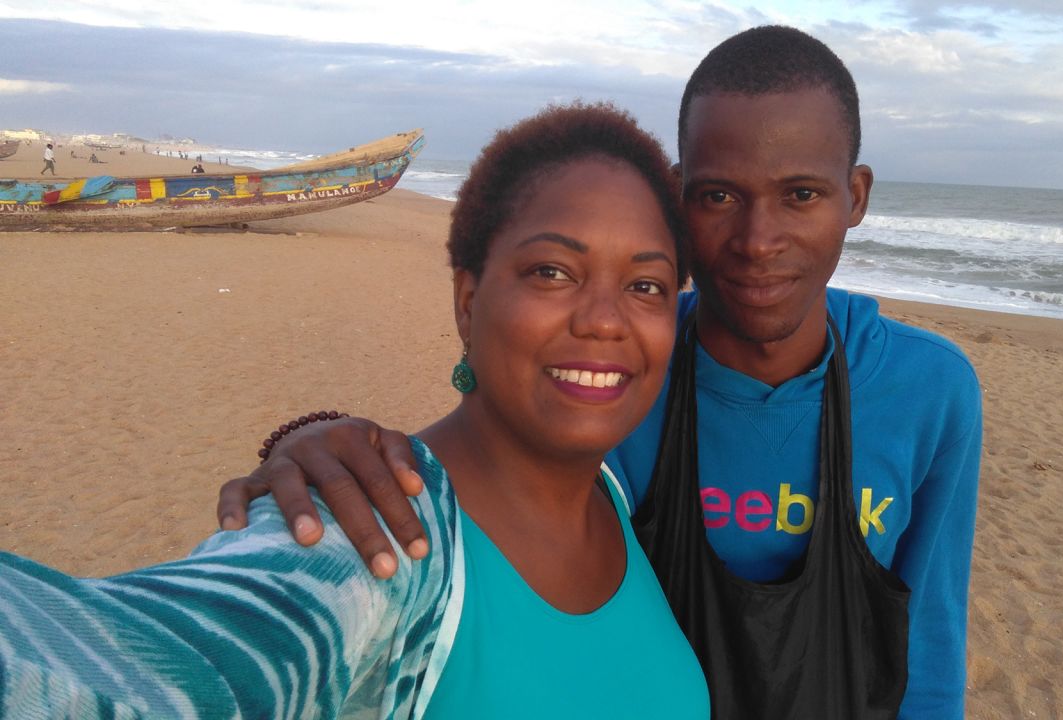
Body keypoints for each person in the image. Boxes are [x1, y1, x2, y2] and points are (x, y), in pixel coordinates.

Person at [221, 26, 981, 719]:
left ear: (855, 197)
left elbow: (930, 649)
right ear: (682, 201)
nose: (758, 240)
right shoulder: (620, 377)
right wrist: (320, 438)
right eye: (719, 196)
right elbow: (483, 457)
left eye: (802, 196)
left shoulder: (929, 391)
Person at [0, 103, 709, 719]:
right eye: (552, 272)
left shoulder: (618, 495)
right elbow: (153, 672)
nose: (604, 321)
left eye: (646, 285)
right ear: (468, 300)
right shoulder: (370, 536)